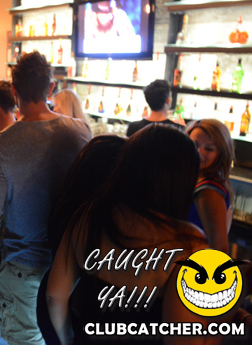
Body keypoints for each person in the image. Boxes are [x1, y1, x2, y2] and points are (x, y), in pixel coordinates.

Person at [46, 125, 214, 345]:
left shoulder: (91, 214)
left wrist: (68, 340)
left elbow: (54, 296)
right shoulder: (189, 244)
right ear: (182, 180)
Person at [0, 51, 91, 345]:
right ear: (51, 88)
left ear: (14, 91)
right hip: (73, 264)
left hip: (23, 266)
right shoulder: (80, 131)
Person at [36, 135, 125, 343]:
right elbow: (56, 295)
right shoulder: (92, 216)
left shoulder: (66, 201)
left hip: (51, 307)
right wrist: (68, 339)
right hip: (66, 312)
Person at [186, 119, 235, 254]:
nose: (199, 152)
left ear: (221, 153)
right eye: (194, 145)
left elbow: (219, 250)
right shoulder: (197, 178)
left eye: (209, 149)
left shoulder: (208, 190)